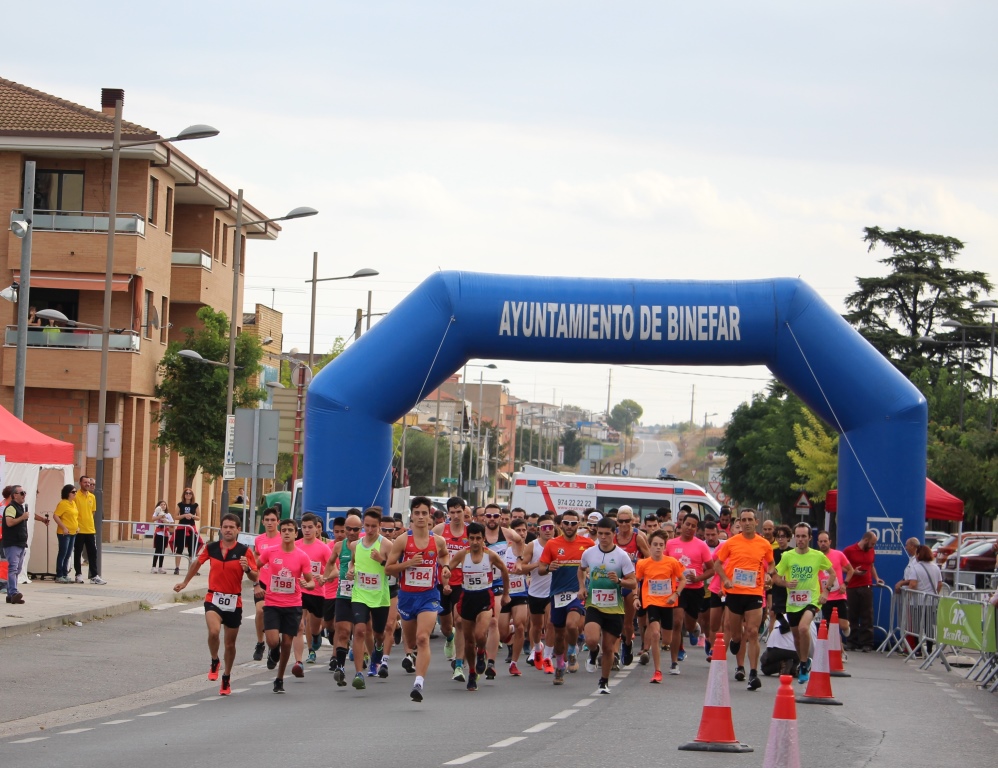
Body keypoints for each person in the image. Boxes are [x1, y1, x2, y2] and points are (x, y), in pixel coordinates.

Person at [174, 513, 258, 695]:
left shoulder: (245, 551)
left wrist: (247, 569)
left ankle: (226, 676)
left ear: (238, 530)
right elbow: (197, 563)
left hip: (234, 601)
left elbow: (255, 576)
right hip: (214, 598)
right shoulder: (211, 547)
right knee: (213, 632)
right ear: (220, 529)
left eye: (231, 527)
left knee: (230, 644)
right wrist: (185, 582)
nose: (228, 530)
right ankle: (214, 660)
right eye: (225, 527)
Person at [385, 496, 451, 701]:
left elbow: (444, 554)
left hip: (429, 595)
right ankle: (411, 654)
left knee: (423, 638)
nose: (421, 517)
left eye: (424, 513)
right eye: (417, 513)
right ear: (411, 516)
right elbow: (389, 568)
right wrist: (408, 564)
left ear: (429, 515)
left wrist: (446, 568)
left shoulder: (437, 540)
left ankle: (418, 682)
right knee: (412, 640)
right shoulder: (403, 540)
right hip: (406, 596)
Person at [711, 508, 775, 691]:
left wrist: (769, 574)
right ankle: (736, 641)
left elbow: (770, 563)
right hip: (734, 593)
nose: (747, 523)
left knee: (753, 631)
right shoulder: (731, 543)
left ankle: (753, 673)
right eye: (743, 519)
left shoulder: (764, 544)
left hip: (754, 592)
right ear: (739, 521)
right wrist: (725, 580)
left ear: (756, 522)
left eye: (750, 520)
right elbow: (717, 564)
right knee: (737, 633)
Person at [445, 522, 510, 692]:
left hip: (484, 598)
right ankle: (472, 673)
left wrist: (505, 594)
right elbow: (448, 568)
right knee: (468, 641)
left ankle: (482, 652)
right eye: (472, 538)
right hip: (467, 598)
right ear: (468, 539)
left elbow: (504, 570)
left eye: (478, 539)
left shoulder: (490, 555)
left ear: (483, 540)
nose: (475, 542)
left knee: (481, 634)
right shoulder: (462, 555)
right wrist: (446, 577)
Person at [256, 518, 316, 693]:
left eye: (291, 530)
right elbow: (255, 567)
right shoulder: (271, 552)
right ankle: (272, 650)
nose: (287, 533)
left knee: (287, 643)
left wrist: (307, 585)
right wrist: (255, 581)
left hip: (293, 605)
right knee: (273, 640)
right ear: (280, 533)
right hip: (273, 603)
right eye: (284, 530)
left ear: (295, 533)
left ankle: (279, 678)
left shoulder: (302, 556)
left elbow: (311, 582)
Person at [579, 516, 637, 694]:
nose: (603, 537)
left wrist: (619, 580)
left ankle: (603, 681)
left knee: (609, 647)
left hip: (614, 607)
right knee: (591, 639)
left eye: (607, 534)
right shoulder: (589, 553)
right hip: (594, 605)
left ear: (614, 534)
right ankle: (593, 652)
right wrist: (582, 587)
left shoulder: (622, 556)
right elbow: (581, 569)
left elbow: (633, 582)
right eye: (600, 533)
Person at [537, 509, 595, 685]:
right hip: (557, 593)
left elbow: (596, 563)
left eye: (573, 523)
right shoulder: (552, 544)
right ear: (561, 524)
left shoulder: (588, 543)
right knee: (559, 634)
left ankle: (572, 650)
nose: (570, 527)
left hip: (577, 592)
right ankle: (560, 665)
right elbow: (541, 568)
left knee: (572, 624)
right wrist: (549, 568)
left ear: (579, 524)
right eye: (566, 523)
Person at [771, 522, 833, 685]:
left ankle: (804, 665)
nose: (800, 539)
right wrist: (786, 584)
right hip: (792, 603)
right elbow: (775, 577)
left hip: (811, 599)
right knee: (796, 637)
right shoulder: (787, 556)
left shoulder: (817, 556)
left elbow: (832, 573)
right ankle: (804, 661)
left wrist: (826, 591)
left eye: (803, 536)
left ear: (809, 538)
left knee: (804, 627)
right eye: (797, 536)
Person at [346, 507, 392, 691]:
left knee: (378, 634)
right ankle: (358, 673)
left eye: (374, 526)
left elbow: (393, 569)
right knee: (359, 630)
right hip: (360, 594)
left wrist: (381, 560)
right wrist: (350, 569)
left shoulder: (387, 545)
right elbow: (353, 561)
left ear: (380, 526)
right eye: (367, 526)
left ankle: (378, 649)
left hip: (379, 596)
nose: (370, 530)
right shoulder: (356, 545)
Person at [634, 529, 685, 683]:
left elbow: (682, 580)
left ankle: (666, 645)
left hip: (668, 603)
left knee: (667, 640)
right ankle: (657, 671)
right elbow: (636, 581)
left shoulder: (672, 562)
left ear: (664, 547)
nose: (658, 547)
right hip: (651, 602)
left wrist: (675, 595)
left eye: (661, 545)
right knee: (655, 634)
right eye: (655, 544)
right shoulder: (643, 563)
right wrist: (636, 597)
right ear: (649, 546)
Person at [432, 496, 470, 682]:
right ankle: (449, 639)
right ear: (448, 513)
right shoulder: (440, 530)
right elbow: (430, 552)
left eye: (459, 512)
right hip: (441, 583)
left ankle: (459, 664)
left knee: (460, 621)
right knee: (447, 627)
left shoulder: (471, 532)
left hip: (463, 584)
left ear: (464, 511)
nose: (456, 515)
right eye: (452, 512)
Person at [322, 511, 362, 682]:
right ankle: (340, 667)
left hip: (363, 595)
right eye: (348, 529)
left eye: (355, 529)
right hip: (344, 594)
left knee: (362, 632)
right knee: (343, 631)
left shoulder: (366, 545)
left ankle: (366, 662)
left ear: (361, 529)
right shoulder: (339, 546)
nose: (351, 532)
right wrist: (324, 578)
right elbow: (330, 563)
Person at [294, 513, 332, 675]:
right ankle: (301, 659)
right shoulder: (295, 545)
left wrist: (324, 577)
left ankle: (316, 636)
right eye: (304, 527)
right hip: (298, 591)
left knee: (313, 624)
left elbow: (333, 570)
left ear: (317, 529)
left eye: (310, 527)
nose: (307, 530)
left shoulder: (323, 548)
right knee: (299, 625)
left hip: (317, 592)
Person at [613, 505, 649, 668]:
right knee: (614, 620)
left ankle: (627, 644)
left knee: (627, 623)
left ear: (632, 521)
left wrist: (637, 565)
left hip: (631, 583)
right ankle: (613, 653)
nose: (624, 524)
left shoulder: (638, 538)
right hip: (613, 583)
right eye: (621, 521)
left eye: (627, 521)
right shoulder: (612, 537)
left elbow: (649, 559)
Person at [518, 513, 555, 672]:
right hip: (535, 592)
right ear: (539, 530)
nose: (548, 531)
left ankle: (548, 656)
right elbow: (521, 568)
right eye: (545, 528)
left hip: (552, 592)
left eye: (551, 527)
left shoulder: (558, 545)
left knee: (551, 623)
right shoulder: (532, 546)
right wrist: (536, 565)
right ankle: (537, 649)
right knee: (536, 626)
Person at [843, 531, 884, 652]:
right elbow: (842, 566)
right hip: (852, 586)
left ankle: (867, 642)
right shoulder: (849, 550)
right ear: (866, 540)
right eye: (872, 543)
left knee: (867, 615)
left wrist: (876, 578)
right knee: (852, 614)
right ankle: (852, 641)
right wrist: (853, 572)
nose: (873, 546)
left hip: (866, 585)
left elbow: (871, 565)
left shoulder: (871, 551)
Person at [253, 508, 283, 663]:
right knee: (260, 611)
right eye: (267, 520)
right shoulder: (259, 540)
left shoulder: (283, 538)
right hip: (263, 582)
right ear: (263, 521)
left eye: (273, 520)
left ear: (278, 521)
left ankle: (274, 647)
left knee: (276, 619)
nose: (270, 523)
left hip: (279, 585)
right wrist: (256, 584)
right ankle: (260, 643)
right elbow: (255, 564)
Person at [817, 530, 854, 636]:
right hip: (826, 596)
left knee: (843, 625)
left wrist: (845, 584)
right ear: (818, 543)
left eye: (825, 541)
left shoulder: (838, 555)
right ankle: (839, 649)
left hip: (839, 595)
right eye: (821, 541)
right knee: (830, 627)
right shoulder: (816, 557)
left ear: (830, 542)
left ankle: (846, 626)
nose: (823, 543)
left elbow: (850, 570)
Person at [73, 475, 105, 584]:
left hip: (90, 529)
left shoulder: (92, 497)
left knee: (93, 553)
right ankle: (78, 574)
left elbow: (93, 512)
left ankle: (94, 576)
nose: (87, 484)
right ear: (80, 483)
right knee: (78, 553)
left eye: (89, 483)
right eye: (85, 482)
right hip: (79, 530)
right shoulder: (75, 496)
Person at [2, 485, 30, 603]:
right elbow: (9, 522)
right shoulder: (11, 508)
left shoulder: (20, 508)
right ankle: (13, 592)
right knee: (13, 568)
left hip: (20, 543)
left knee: (17, 569)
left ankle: (10, 595)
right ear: (14, 495)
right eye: (22, 493)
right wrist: (22, 517)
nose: (24, 495)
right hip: (12, 543)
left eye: (25, 492)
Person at [53, 484, 79, 583]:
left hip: (73, 532)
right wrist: (63, 527)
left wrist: (77, 526)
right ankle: (59, 574)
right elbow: (56, 516)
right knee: (63, 553)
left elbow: (74, 517)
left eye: (75, 492)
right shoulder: (63, 503)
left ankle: (64, 573)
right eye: (73, 492)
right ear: (67, 493)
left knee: (68, 554)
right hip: (64, 533)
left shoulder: (73, 503)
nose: (75, 494)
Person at [173, 488, 200, 576]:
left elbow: (199, 517)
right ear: (184, 495)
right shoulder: (180, 505)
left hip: (191, 528)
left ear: (192, 495)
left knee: (191, 549)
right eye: (186, 493)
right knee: (179, 547)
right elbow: (176, 517)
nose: (188, 495)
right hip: (182, 528)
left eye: (190, 493)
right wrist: (184, 515)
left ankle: (191, 568)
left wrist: (192, 516)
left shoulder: (195, 505)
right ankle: (177, 568)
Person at [151, 500, 173, 574]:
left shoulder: (168, 514)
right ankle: (154, 567)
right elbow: (153, 519)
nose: (163, 506)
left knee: (162, 551)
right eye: (161, 504)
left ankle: (160, 567)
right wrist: (159, 516)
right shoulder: (156, 513)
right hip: (159, 533)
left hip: (165, 534)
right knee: (157, 550)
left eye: (164, 504)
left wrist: (166, 521)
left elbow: (172, 524)